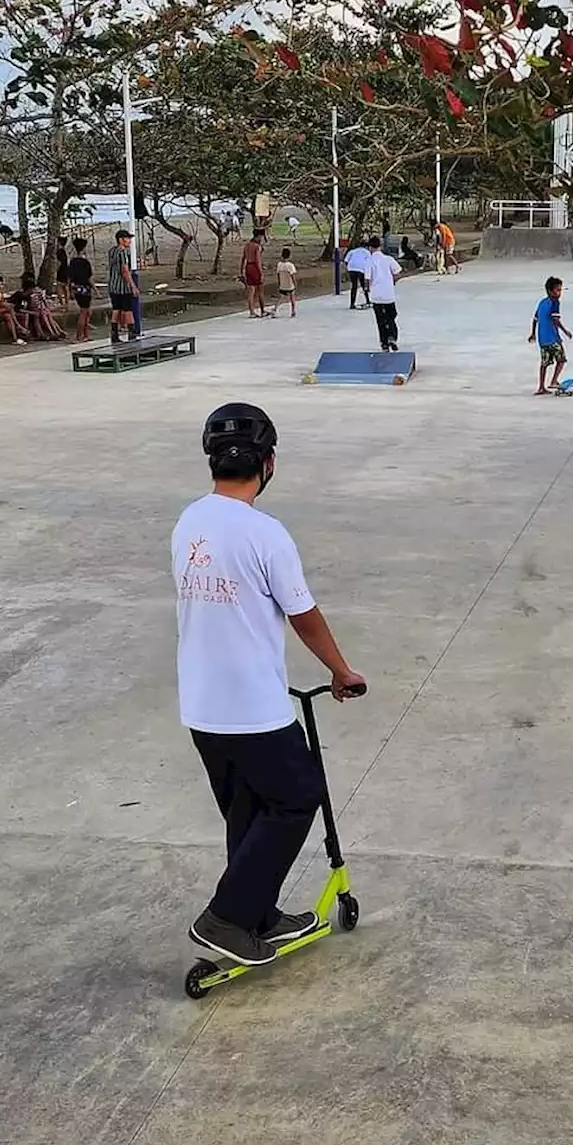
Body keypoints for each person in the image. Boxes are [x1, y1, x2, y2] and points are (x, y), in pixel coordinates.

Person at [173, 403, 367, 967]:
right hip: (253, 708)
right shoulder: (265, 534)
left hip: (202, 706)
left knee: (248, 812)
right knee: (296, 798)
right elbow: (302, 614)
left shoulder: (188, 521)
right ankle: (228, 917)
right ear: (269, 463)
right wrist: (341, 671)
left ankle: (256, 915)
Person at [529, 276, 571, 395]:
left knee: (544, 363)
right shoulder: (555, 303)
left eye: (560, 290)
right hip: (553, 339)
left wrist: (533, 334)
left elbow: (535, 319)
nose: (560, 293)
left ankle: (541, 387)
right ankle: (553, 381)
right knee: (561, 359)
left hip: (542, 340)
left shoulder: (542, 302)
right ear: (550, 291)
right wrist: (565, 331)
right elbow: (555, 320)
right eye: (558, 290)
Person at [365, 235, 403, 351]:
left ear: (370, 248)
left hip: (376, 295)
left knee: (380, 320)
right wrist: (392, 282)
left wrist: (367, 289)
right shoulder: (388, 259)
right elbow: (397, 273)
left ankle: (384, 343)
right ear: (380, 246)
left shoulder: (369, 261)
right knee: (391, 317)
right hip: (388, 295)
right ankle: (392, 337)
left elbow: (367, 278)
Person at [107, 228, 139, 343]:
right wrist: (133, 286)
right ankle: (131, 333)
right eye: (127, 238)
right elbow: (125, 271)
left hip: (112, 285)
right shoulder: (123, 252)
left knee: (116, 309)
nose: (129, 241)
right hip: (122, 286)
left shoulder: (112, 251)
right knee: (127, 310)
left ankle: (114, 333)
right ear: (121, 240)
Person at [0, 273, 27, 344]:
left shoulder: (0, 295)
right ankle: (18, 326)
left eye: (1, 285)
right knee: (8, 309)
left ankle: (14, 338)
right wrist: (3, 307)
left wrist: (5, 305)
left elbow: (1, 304)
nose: (0, 286)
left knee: (8, 316)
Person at [69, 237, 94, 343]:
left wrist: (70, 290)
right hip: (85, 288)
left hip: (76, 288)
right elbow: (89, 278)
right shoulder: (85, 262)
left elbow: (70, 277)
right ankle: (80, 335)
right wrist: (95, 289)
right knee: (84, 312)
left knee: (86, 311)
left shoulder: (73, 262)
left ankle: (85, 334)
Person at [241, 226, 267, 317]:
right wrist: (261, 273)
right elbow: (258, 261)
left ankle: (251, 311)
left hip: (248, 266)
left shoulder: (247, 245)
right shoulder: (257, 247)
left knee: (250, 291)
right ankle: (263, 310)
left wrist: (242, 270)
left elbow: (243, 258)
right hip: (255, 268)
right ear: (259, 236)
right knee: (260, 290)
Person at [344, 240, 372, 307]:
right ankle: (368, 300)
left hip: (351, 268)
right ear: (366, 247)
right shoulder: (367, 252)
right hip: (361, 269)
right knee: (363, 285)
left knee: (354, 286)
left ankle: (352, 304)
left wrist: (349, 268)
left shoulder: (353, 251)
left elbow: (346, 260)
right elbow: (369, 263)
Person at [273, 247, 298, 317]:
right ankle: (293, 311)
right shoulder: (290, 265)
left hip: (283, 285)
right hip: (290, 285)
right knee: (292, 297)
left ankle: (275, 309)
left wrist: (279, 283)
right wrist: (295, 284)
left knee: (280, 298)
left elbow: (278, 274)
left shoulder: (279, 264)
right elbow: (292, 276)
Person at [54, 240, 72, 309]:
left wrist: (56, 270)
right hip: (66, 270)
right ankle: (67, 303)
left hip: (61, 271)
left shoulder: (59, 251)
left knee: (59, 286)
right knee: (65, 287)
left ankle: (61, 302)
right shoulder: (65, 251)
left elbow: (59, 262)